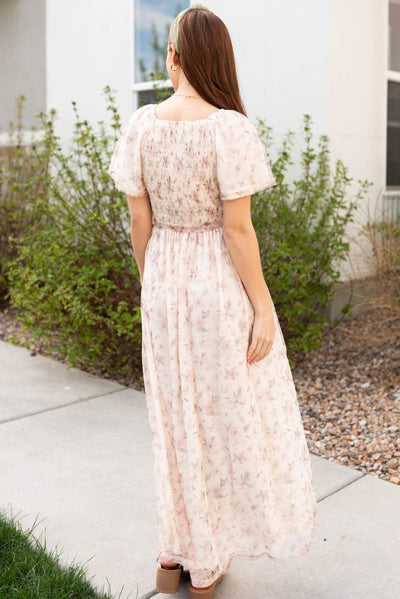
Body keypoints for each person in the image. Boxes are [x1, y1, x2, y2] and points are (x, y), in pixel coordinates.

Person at [108, 4, 318, 598]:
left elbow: (138, 217)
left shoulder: (142, 124)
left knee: (174, 424)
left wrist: (155, 287)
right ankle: (206, 568)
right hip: (215, 287)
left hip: (165, 282)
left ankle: (172, 559)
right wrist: (264, 306)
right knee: (218, 423)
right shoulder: (228, 127)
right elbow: (237, 231)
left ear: (173, 58)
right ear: (221, 60)